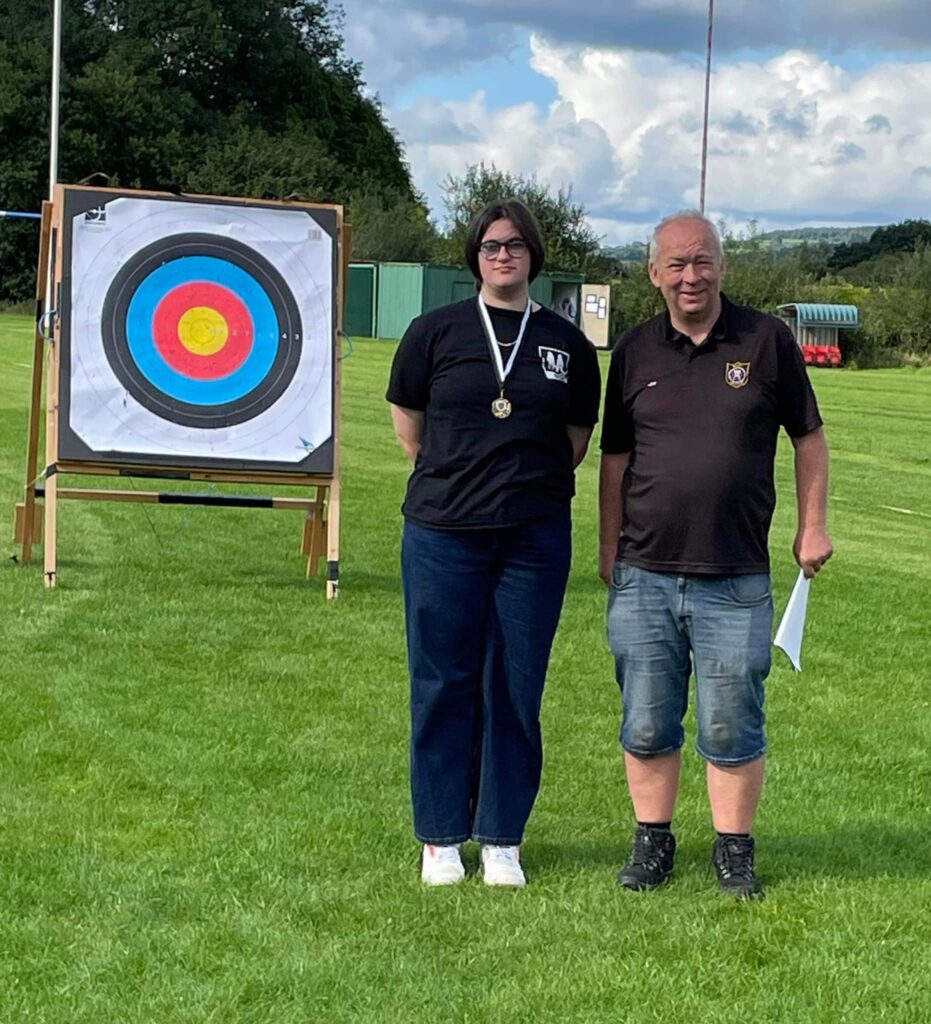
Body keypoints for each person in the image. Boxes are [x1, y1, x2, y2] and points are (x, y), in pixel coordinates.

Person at [599, 210, 833, 899]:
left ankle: (733, 851)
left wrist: (811, 525)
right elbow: (614, 458)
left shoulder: (766, 341)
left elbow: (809, 438)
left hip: (735, 574)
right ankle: (652, 844)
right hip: (642, 571)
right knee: (645, 718)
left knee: (732, 718)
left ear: (721, 266)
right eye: (674, 264)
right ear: (653, 274)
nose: (689, 276)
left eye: (701, 261)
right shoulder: (634, 350)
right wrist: (606, 546)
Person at [387, 200, 601, 887]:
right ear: (473, 256)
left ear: (534, 254)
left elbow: (573, 441)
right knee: (442, 680)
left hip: (532, 539)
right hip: (443, 534)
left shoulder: (566, 343)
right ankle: (441, 837)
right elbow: (410, 427)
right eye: (488, 246)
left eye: (513, 245)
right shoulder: (435, 331)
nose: (501, 255)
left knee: (514, 685)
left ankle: (502, 837)